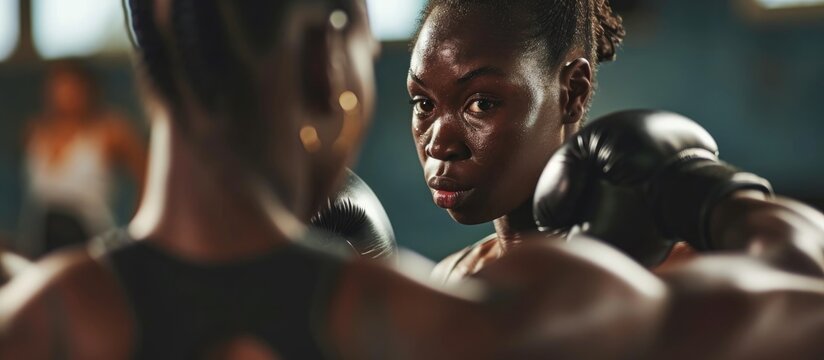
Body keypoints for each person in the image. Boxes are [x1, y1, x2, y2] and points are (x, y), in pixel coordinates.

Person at [1, 0, 824, 358]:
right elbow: (802, 296)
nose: (438, 138)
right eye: (416, 101)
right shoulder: (447, 322)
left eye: (479, 101)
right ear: (331, 58)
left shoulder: (31, 323)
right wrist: (712, 193)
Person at [406, 0, 705, 282]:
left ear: (572, 91)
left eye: (481, 103)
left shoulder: (676, 278)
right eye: (423, 103)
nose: (438, 146)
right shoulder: (449, 279)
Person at [19, 60, 147, 258]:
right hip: (40, 246)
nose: (65, 93)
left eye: (72, 85)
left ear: (87, 89)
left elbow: (147, 176)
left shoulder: (110, 132)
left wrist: (135, 232)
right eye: (59, 85)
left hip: (92, 246)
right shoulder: (34, 132)